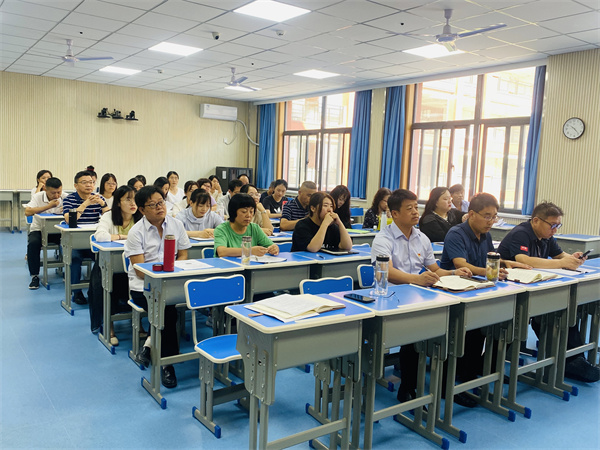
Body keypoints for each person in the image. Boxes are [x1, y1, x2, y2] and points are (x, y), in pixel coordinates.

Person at [370, 189, 471, 406]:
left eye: (416, 207)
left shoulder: (421, 237)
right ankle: (408, 388)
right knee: (415, 334)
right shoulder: (382, 238)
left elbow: (433, 269)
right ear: (394, 214)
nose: (416, 212)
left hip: (419, 295)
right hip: (390, 297)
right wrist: (417, 279)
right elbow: (387, 272)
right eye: (410, 209)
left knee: (447, 328)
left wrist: (454, 272)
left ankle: (445, 386)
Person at [439, 193, 527, 405]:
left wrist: (505, 264)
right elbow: (463, 265)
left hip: (478, 291)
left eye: (494, 217)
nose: (491, 222)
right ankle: (451, 383)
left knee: (493, 326)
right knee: (465, 335)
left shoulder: (486, 235)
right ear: (471, 214)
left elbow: (491, 260)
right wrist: (492, 271)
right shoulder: (456, 233)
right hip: (452, 294)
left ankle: (472, 374)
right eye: (487, 216)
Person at [497, 202, 599, 382]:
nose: (555, 230)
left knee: (567, 312)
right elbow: (525, 259)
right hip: (511, 292)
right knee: (551, 314)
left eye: (557, 226)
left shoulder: (546, 236)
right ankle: (569, 361)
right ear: (536, 220)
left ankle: (574, 360)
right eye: (552, 225)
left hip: (535, 288)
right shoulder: (521, 233)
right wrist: (562, 263)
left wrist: (573, 259)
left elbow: (559, 255)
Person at [125, 185, 191, 389]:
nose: (159, 207)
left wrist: (173, 271)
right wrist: (163, 275)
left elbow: (183, 254)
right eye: (152, 205)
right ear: (142, 210)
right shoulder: (136, 232)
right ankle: (167, 365)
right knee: (167, 312)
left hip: (171, 283)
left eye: (161, 202)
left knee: (169, 308)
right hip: (143, 287)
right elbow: (139, 270)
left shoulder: (176, 224)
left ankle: (147, 348)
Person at [90, 185, 142, 344]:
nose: (133, 203)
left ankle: (138, 324)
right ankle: (108, 325)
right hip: (110, 264)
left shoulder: (141, 218)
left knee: (139, 284)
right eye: (128, 199)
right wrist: (122, 236)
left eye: (135, 199)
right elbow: (100, 236)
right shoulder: (109, 216)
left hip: (133, 265)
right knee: (108, 284)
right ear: (118, 202)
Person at [63, 171, 110, 305]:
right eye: (84, 182)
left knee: (104, 259)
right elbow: (69, 220)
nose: (89, 185)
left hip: (93, 241)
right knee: (74, 258)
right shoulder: (69, 199)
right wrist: (85, 204)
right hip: (75, 242)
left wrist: (103, 205)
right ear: (76, 185)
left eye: (91, 182)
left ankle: (97, 291)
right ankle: (76, 293)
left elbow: (110, 219)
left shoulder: (98, 198)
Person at [24, 177, 66, 290]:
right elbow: (27, 212)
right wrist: (48, 206)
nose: (57, 195)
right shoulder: (38, 197)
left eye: (59, 192)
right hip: (39, 230)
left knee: (68, 242)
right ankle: (35, 276)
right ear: (45, 190)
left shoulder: (65, 196)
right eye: (53, 193)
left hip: (58, 230)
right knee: (33, 243)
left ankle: (68, 271)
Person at [214, 193, 279, 257]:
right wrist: (249, 251)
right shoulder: (222, 229)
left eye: (251, 212)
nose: (248, 215)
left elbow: (271, 245)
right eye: (244, 212)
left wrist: (274, 248)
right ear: (233, 212)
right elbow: (221, 252)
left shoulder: (254, 228)